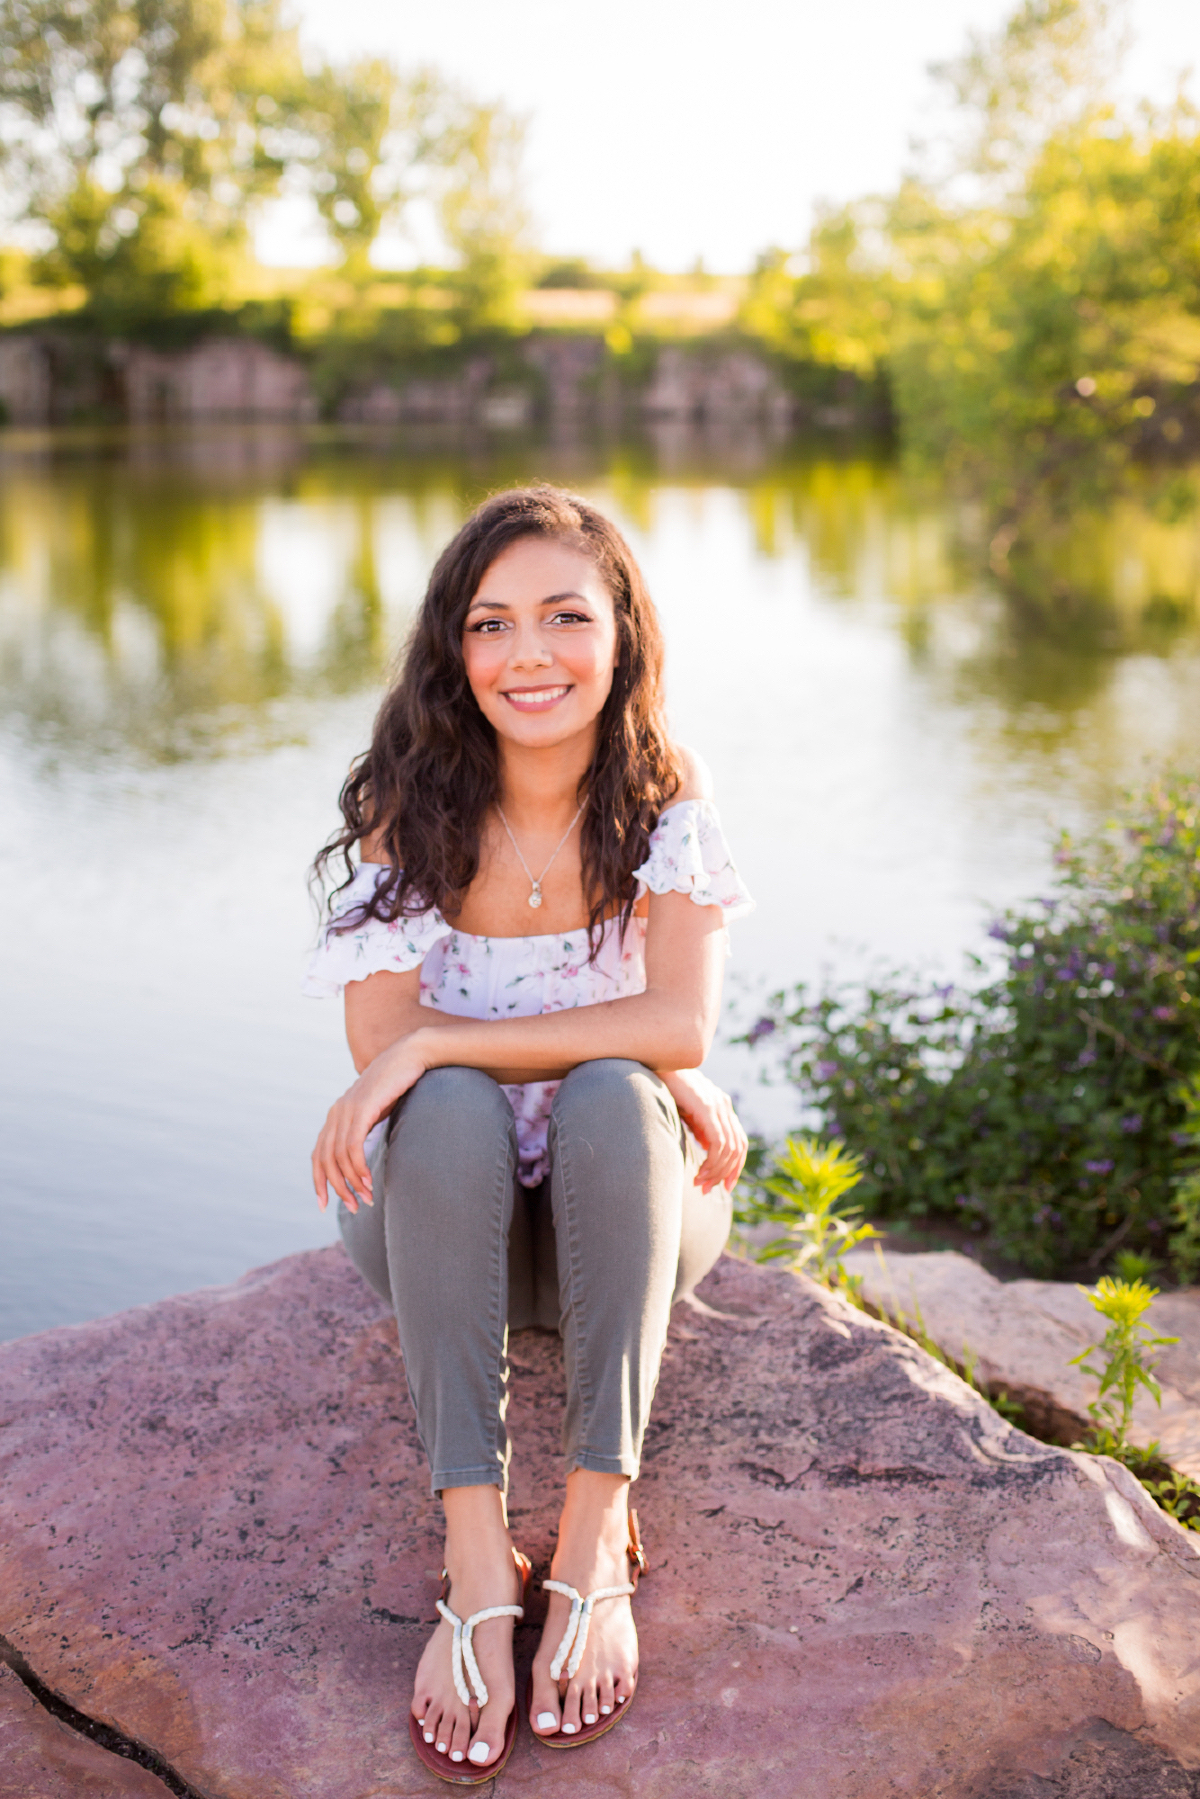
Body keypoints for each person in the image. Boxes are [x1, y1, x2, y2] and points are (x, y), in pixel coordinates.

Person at [305, 485, 753, 1784]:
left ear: (622, 634)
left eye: (565, 615)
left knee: (617, 1088)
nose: (529, 655)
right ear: (457, 651)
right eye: (492, 625)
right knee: (447, 1105)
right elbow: (389, 1069)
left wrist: (451, 1037)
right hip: (454, 1235)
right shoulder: (410, 806)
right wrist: (445, 1059)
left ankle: (596, 1535)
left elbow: (676, 1018)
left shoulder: (667, 794)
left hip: (630, 1215)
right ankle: (475, 1561)